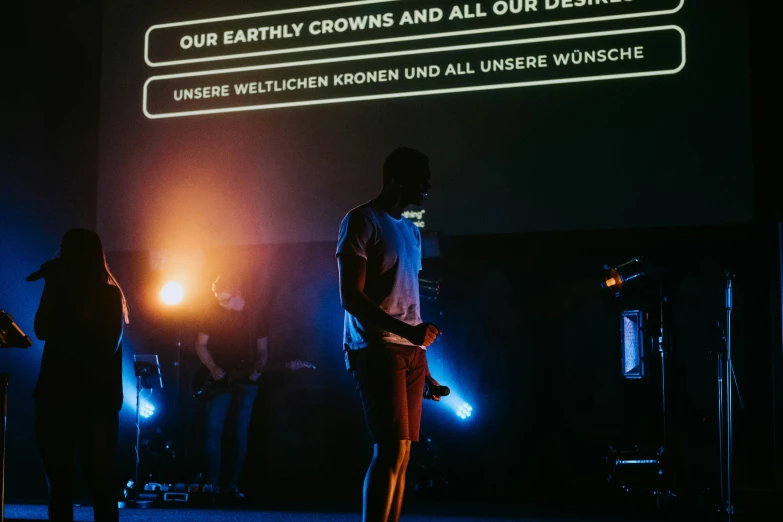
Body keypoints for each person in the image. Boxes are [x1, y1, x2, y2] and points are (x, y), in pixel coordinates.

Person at [337, 147, 443, 522]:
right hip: (376, 347)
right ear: (398, 178)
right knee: (389, 449)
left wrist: (424, 365)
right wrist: (407, 333)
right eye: (421, 178)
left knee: (403, 454)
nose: (428, 186)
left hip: (409, 352)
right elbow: (351, 296)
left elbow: (409, 304)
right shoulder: (362, 220)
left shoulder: (412, 232)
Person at [33, 228, 129, 522]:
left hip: (94, 400)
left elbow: (107, 345)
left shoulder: (110, 295)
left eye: (69, 249)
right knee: (59, 484)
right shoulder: (58, 290)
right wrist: (52, 286)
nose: (63, 255)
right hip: (55, 395)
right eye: (62, 248)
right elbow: (40, 330)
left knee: (100, 481)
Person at [194, 272, 268, 498]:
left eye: (224, 299)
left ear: (238, 295)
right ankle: (212, 484)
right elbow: (200, 344)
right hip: (220, 381)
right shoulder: (212, 312)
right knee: (213, 432)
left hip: (246, 381)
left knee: (240, 434)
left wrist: (259, 368)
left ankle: (232, 485)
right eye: (217, 298)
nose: (220, 303)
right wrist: (213, 367)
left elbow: (263, 349)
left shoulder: (255, 315)